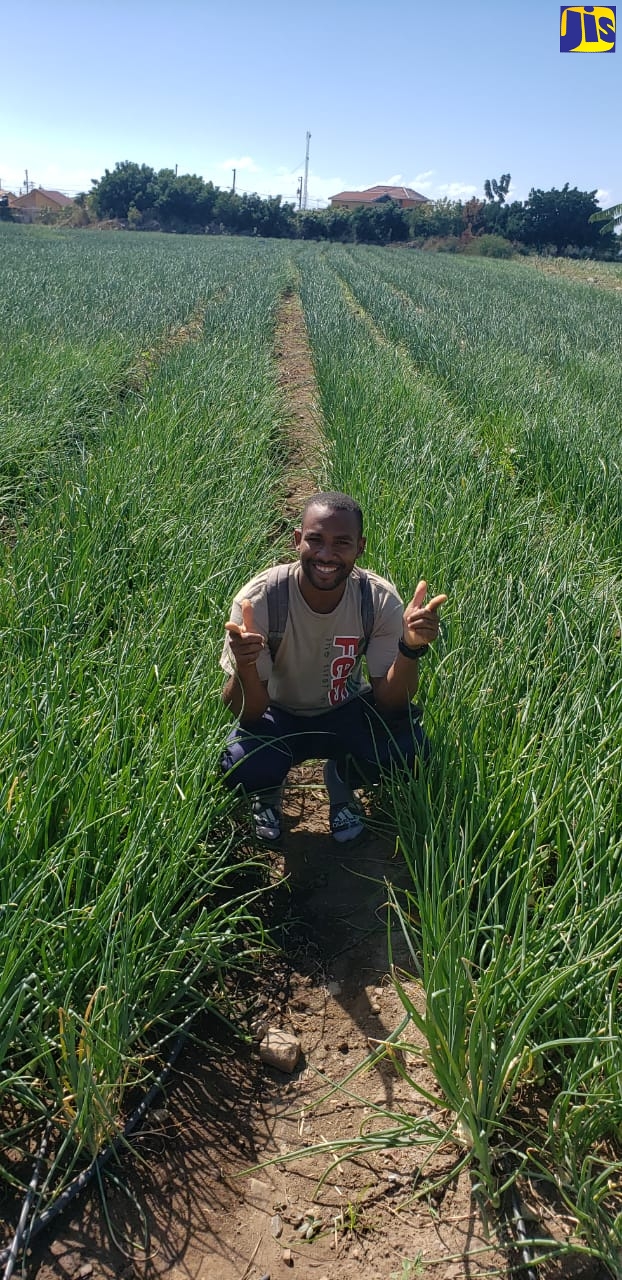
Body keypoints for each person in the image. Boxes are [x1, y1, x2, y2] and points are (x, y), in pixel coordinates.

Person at [220, 492, 446, 844]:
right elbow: (247, 714)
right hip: (278, 716)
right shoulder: (260, 600)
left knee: (411, 752)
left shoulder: (377, 600)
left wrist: (410, 648)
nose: (327, 555)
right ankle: (269, 791)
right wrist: (246, 665)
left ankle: (341, 781)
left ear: (360, 547)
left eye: (342, 543)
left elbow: (390, 703)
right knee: (241, 764)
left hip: (344, 711)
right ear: (298, 541)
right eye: (315, 540)